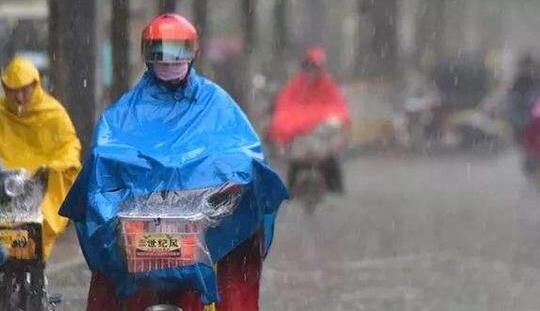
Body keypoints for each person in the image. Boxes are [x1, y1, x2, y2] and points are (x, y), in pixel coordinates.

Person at [59, 14, 287, 311]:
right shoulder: (125, 112)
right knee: (109, 281)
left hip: (206, 227)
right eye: (160, 53)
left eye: (177, 52)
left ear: (193, 53)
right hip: (139, 228)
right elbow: (105, 156)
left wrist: (229, 187)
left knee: (237, 262)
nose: (168, 61)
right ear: (146, 54)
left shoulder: (215, 103)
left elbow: (244, 152)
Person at [0, 57, 81, 259]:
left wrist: (54, 166)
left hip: (39, 189)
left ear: (36, 85)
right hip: (5, 187)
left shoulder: (53, 113)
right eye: (13, 90)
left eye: (25, 89)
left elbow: (69, 146)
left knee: (35, 235)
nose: (19, 97)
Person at [268, 46, 350, 193]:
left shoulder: (327, 84)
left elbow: (336, 104)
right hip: (300, 138)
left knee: (330, 145)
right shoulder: (297, 84)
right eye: (310, 67)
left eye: (316, 67)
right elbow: (286, 103)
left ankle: (333, 186)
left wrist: (316, 116)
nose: (312, 72)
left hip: (321, 136)